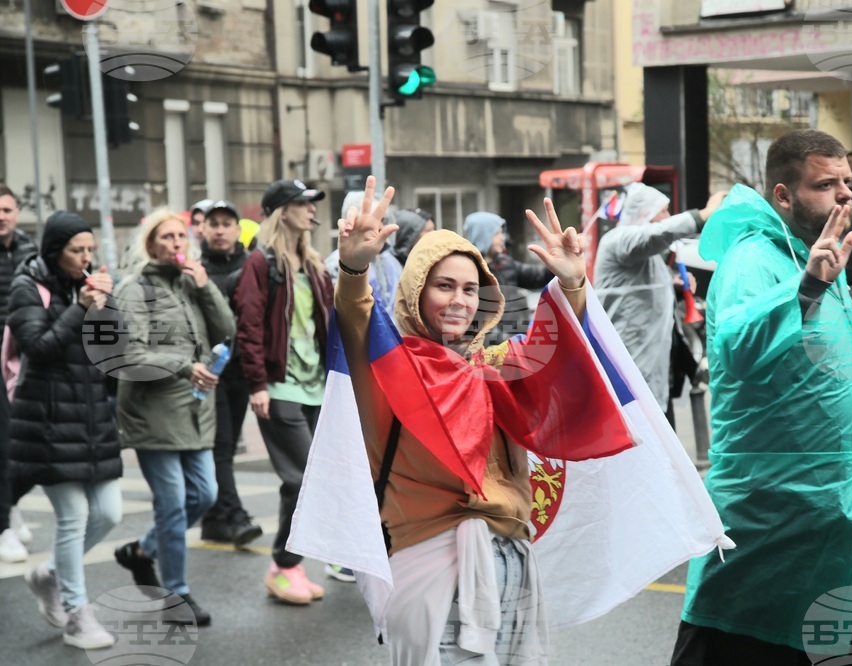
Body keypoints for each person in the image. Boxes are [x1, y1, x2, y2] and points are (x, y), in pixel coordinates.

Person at [669, 129, 852, 665]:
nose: (845, 194)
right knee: (737, 645)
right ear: (783, 195)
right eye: (825, 184)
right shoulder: (755, 258)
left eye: (847, 181)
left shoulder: (814, 253)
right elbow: (738, 351)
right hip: (774, 531)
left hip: (843, 522)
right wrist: (809, 285)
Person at [335, 177, 625, 664]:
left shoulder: (492, 365)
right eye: (444, 286)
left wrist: (573, 284)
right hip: (434, 560)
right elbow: (356, 317)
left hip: (513, 560)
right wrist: (354, 266)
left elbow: (557, 358)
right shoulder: (391, 366)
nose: (460, 301)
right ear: (414, 292)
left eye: (471, 289)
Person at [113, 209, 235, 627]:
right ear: (151, 244)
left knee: (204, 494)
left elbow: (226, 333)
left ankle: (141, 551)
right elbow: (130, 356)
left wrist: (206, 290)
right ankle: (176, 594)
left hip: (194, 410)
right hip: (153, 412)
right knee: (172, 505)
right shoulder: (134, 289)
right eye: (166, 237)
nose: (177, 243)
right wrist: (184, 366)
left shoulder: (189, 283)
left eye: (182, 235)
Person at [8, 212, 121, 649]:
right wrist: (80, 309)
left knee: (109, 512)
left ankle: (50, 573)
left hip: (92, 417)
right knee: (73, 517)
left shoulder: (88, 286)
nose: (86, 258)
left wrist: (108, 308)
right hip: (48, 420)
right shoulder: (27, 286)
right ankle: (78, 615)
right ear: (55, 251)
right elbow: (38, 347)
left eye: (91, 250)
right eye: (78, 251)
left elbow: (114, 354)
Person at [234, 179, 337, 603]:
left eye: (313, 204)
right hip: (280, 386)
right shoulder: (261, 263)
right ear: (282, 211)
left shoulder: (312, 263)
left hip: (315, 387)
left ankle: (287, 565)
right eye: (302, 203)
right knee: (301, 479)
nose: (312, 211)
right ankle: (284, 565)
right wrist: (257, 383)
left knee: (300, 483)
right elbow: (249, 325)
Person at [593, 183, 724, 424]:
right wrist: (703, 214)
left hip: (655, 367)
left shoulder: (647, 254)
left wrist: (671, 285)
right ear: (644, 213)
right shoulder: (619, 240)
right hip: (632, 365)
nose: (667, 217)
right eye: (662, 211)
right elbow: (658, 234)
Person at [197, 200, 263, 548]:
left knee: (224, 447)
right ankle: (235, 516)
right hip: (206, 373)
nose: (220, 229)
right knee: (221, 447)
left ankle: (213, 521)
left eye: (226, 223)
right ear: (203, 229)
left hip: (241, 370)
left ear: (238, 230)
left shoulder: (252, 265)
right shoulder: (194, 268)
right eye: (214, 224)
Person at [0, 184, 39, 563]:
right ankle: (5, 524)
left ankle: (11, 507)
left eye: (7, 209)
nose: (1, 216)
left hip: (23, 359)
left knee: (26, 446)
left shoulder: (30, 251)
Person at [462, 211, 552, 345]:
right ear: (484, 236)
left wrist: (555, 261)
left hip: (519, 344)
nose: (503, 238)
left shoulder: (505, 263)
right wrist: (509, 343)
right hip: (496, 351)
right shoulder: (470, 273)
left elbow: (539, 277)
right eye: (497, 233)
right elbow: (479, 323)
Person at [326, 190, 402, 320]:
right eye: (369, 219)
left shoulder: (390, 261)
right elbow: (342, 312)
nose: (378, 225)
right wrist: (352, 268)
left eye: (382, 219)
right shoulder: (337, 264)